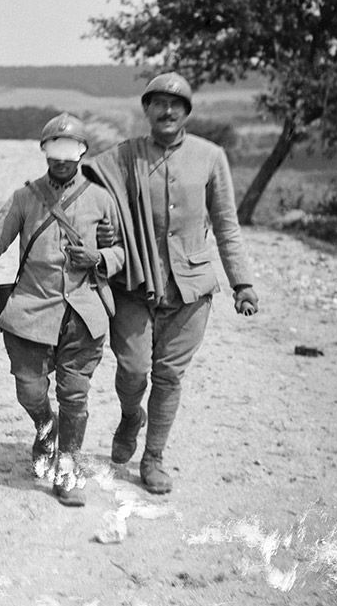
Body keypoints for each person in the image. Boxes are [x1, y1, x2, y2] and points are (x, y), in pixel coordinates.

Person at [0, 113, 124, 506]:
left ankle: (67, 469)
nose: (62, 158)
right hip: (32, 310)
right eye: (54, 149)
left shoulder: (101, 199)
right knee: (30, 391)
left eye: (70, 150)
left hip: (83, 313)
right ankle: (45, 426)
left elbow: (121, 251)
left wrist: (101, 257)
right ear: (44, 151)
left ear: (82, 153)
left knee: (75, 395)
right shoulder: (25, 198)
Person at [83, 72, 259, 495]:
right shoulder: (123, 158)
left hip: (191, 289)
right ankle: (130, 416)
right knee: (133, 369)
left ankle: (154, 457)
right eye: (158, 103)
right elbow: (97, 204)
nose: (167, 111)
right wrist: (105, 234)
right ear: (146, 109)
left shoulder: (211, 157)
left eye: (176, 105)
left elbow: (227, 226)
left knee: (168, 377)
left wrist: (243, 283)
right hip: (133, 283)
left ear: (186, 112)